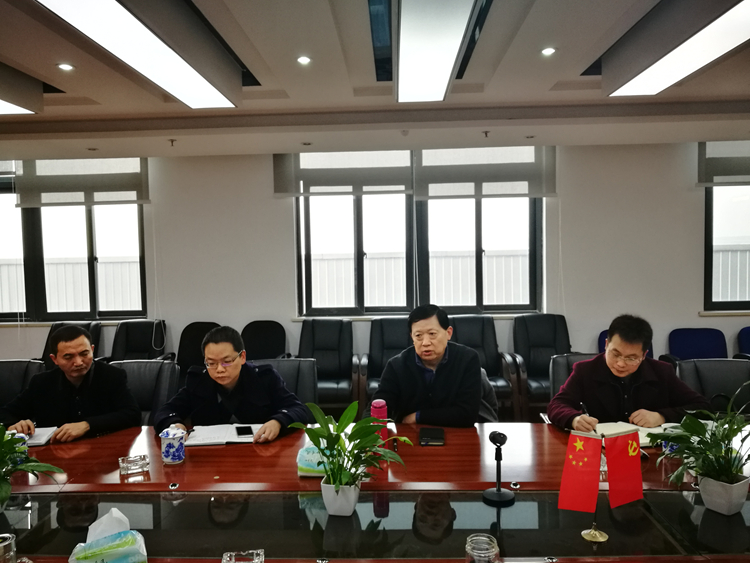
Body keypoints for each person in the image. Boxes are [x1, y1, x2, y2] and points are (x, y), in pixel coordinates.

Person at [547, 314, 711, 431]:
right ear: (606, 344)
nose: (620, 364)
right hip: (602, 450)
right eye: (615, 354)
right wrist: (574, 419)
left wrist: (661, 416)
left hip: (650, 452)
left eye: (631, 358)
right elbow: (556, 405)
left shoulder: (662, 372)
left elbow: (703, 408)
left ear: (644, 355)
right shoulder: (585, 371)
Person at [153, 326, 310, 442]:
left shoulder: (264, 378)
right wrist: (174, 424)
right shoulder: (198, 381)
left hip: (260, 452)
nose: (219, 369)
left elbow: (298, 409)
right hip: (210, 459)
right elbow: (164, 412)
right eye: (211, 363)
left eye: (227, 361)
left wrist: (278, 422)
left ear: (242, 357)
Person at [0, 326, 141, 442]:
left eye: (84, 354)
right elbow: (6, 414)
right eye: (68, 357)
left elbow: (132, 414)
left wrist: (87, 425)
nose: (78, 362)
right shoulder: (41, 383)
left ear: (92, 350)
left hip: (101, 450)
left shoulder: (112, 376)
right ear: (54, 359)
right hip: (54, 456)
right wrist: (15, 425)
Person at [364, 304, 482, 427]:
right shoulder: (396, 366)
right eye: (418, 336)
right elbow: (377, 407)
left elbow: (468, 414)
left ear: (448, 333)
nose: (425, 343)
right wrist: (365, 431)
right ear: (412, 337)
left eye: (432, 334)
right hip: (410, 434)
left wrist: (418, 416)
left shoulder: (468, 359)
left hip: (456, 433)